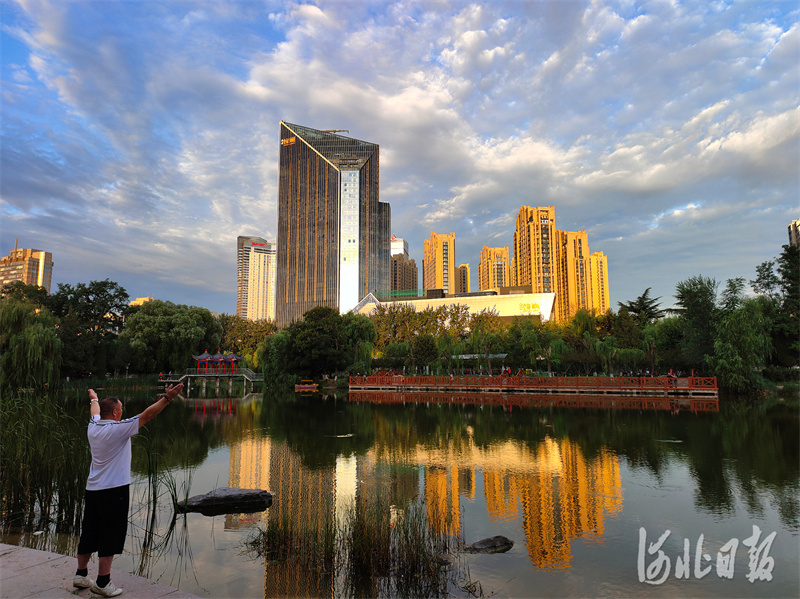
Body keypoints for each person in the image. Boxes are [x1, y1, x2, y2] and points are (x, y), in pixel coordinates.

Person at [73, 383, 184, 597]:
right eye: (121, 408)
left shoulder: (93, 427)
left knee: (90, 530)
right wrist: (167, 399)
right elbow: (147, 415)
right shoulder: (119, 429)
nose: (122, 411)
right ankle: (103, 583)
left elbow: (94, 411)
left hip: (93, 489)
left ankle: (81, 574)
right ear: (115, 413)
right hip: (114, 491)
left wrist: (93, 397)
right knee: (110, 535)